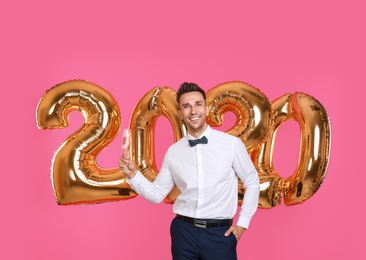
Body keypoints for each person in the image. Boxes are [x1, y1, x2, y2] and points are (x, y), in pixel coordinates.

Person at [119, 82, 260, 260]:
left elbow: (252, 181)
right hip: (184, 233)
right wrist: (133, 174)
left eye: (198, 104)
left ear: (206, 109)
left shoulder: (231, 145)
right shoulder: (173, 152)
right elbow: (157, 194)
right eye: (186, 106)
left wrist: (242, 224)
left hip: (220, 234)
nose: (193, 111)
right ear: (180, 113)